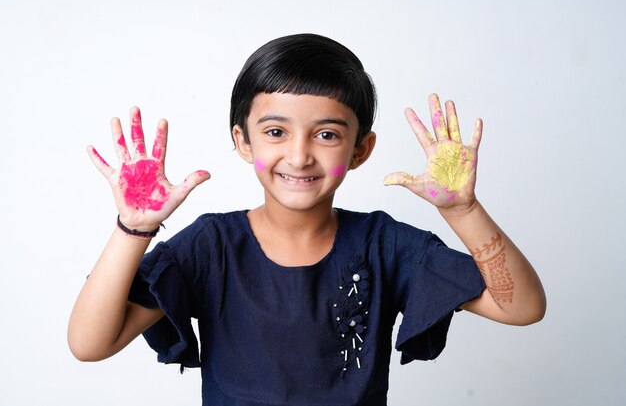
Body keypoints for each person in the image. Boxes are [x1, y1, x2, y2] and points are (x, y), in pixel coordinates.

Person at [68, 33, 546, 406]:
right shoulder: (211, 245)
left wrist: (463, 210)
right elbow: (90, 343)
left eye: (326, 134)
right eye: (276, 131)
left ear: (361, 150)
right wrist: (134, 229)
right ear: (243, 142)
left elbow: (521, 307)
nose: (299, 156)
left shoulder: (384, 245)